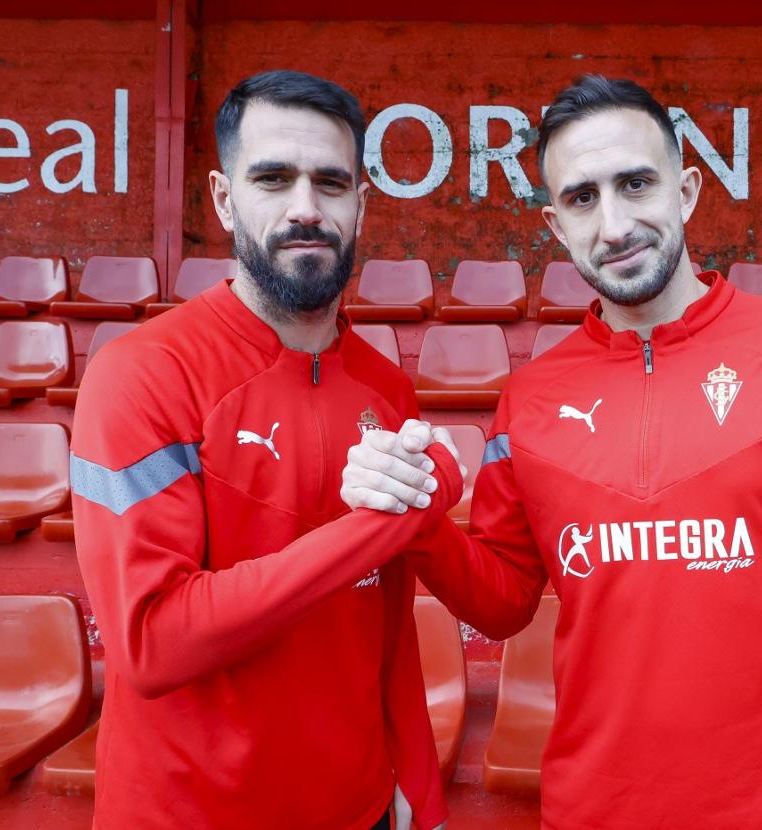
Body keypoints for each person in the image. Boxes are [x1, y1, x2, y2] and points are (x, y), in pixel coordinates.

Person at [341, 75, 762, 828]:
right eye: (582, 199)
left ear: (687, 189)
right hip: (595, 810)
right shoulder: (532, 400)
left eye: (636, 184)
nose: (614, 224)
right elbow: (502, 603)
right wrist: (419, 521)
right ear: (556, 224)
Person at [71, 70, 462, 830]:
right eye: (274, 179)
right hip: (185, 816)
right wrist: (382, 523)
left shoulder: (386, 387)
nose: (306, 209)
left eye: (331, 183)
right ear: (223, 199)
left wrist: (416, 772)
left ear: (361, 205)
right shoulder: (142, 374)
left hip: (359, 809)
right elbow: (153, 642)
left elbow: (385, 623)